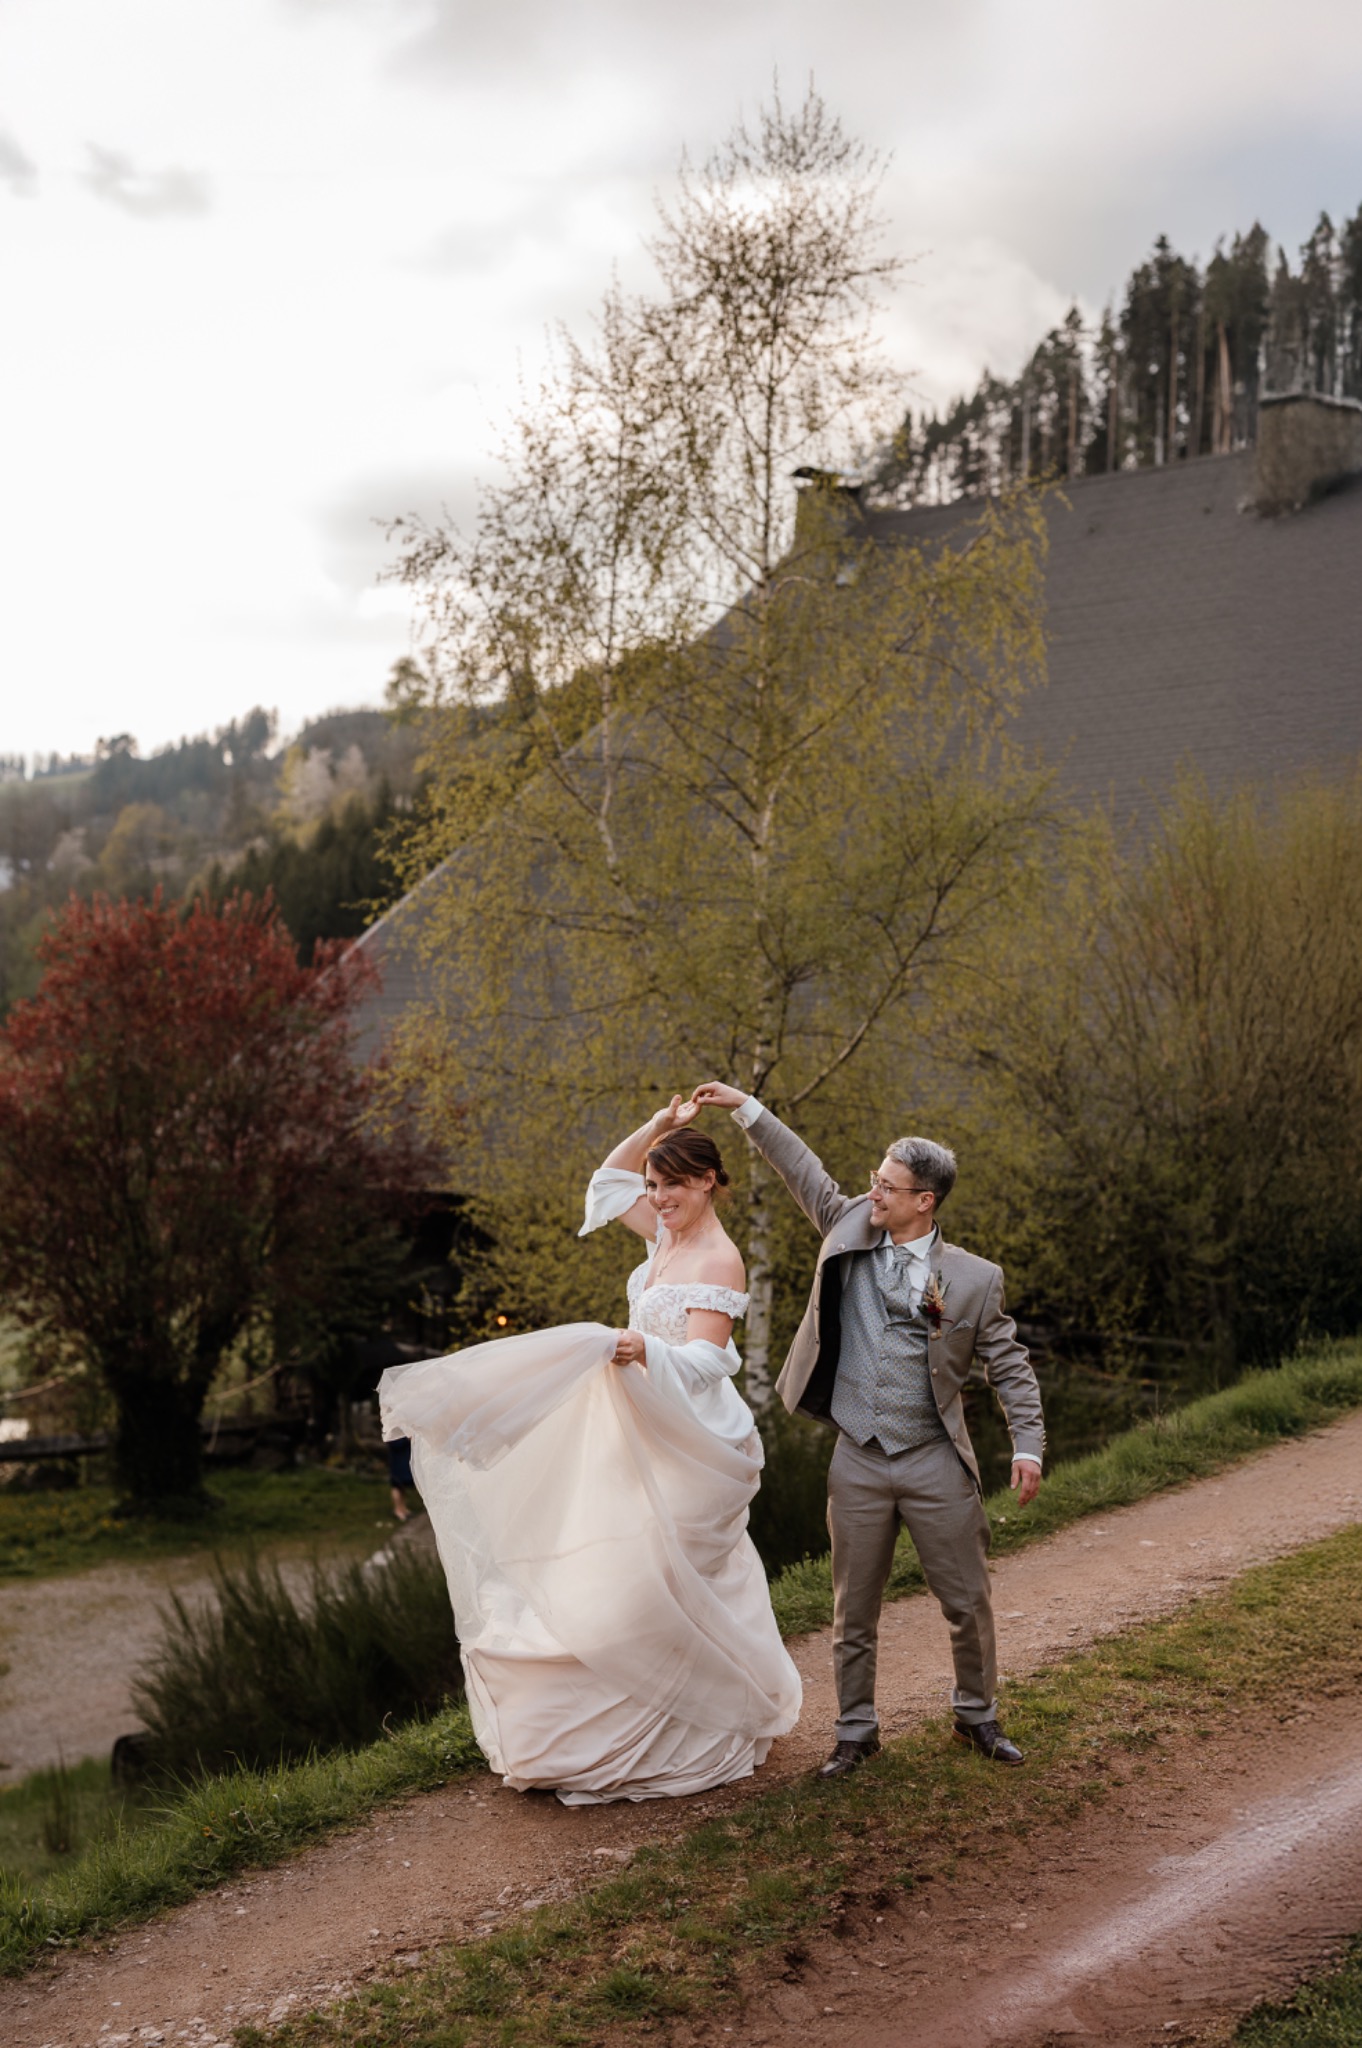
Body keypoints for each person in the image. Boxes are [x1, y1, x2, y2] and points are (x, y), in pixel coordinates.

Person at [378, 1097, 801, 1805]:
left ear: (707, 1183)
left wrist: (643, 1347)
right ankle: (591, 1722)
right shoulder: (661, 1235)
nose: (657, 1197)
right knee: (611, 1561)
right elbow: (607, 1182)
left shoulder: (718, 1259)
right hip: (637, 1422)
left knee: (658, 1579)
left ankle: (686, 1725)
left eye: (672, 1184)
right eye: (656, 1184)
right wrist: (659, 1126)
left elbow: (706, 1363)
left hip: (688, 1435)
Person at [690, 1082, 1044, 1779]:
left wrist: (1027, 1444)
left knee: (967, 1601)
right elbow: (803, 1169)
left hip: (935, 1460)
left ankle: (978, 1716)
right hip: (857, 1457)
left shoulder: (973, 1281)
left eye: (888, 1186)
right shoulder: (847, 1225)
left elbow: (1010, 1365)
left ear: (925, 1201)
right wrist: (746, 1109)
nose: (873, 1192)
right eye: (874, 1181)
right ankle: (855, 1733)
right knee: (853, 1608)